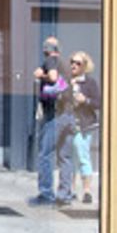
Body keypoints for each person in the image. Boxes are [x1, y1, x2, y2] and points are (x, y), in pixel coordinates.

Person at [31, 41, 72, 205]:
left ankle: (46, 194)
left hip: (54, 114)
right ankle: (65, 195)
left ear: (47, 50)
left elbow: (53, 77)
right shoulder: (65, 65)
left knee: (45, 155)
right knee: (65, 157)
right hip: (68, 114)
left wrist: (41, 75)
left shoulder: (51, 61)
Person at [68, 50, 101, 207]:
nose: (74, 65)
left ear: (85, 66)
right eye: (72, 62)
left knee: (82, 156)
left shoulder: (90, 83)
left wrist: (85, 100)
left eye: (78, 63)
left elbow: (98, 103)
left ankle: (87, 191)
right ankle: (71, 190)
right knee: (68, 158)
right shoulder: (67, 81)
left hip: (84, 125)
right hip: (67, 125)